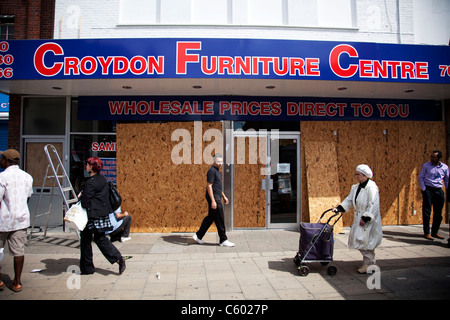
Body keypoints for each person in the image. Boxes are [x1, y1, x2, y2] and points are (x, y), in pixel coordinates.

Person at [79, 157, 126, 275]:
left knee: (85, 240)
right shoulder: (103, 179)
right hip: (102, 214)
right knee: (100, 239)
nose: (86, 166)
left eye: (88, 164)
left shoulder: (90, 182)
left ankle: (87, 268)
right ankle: (118, 258)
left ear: (91, 167)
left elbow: (85, 202)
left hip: (91, 216)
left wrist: (82, 195)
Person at [333, 164, 382, 274]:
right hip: (359, 217)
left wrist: (366, 218)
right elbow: (349, 200)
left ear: (365, 175)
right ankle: (369, 262)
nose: (356, 176)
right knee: (360, 240)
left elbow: (373, 204)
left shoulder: (372, 188)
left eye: (358, 174)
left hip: (369, 219)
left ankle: (369, 264)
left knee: (367, 241)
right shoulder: (355, 187)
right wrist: (339, 208)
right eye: (356, 174)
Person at [0, 149, 33, 292]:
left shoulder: (2, 176)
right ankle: (17, 282)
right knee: (19, 250)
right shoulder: (27, 177)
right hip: (21, 219)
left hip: (3, 219)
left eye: (1, 158)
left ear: (6, 160)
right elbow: (28, 197)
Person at [193, 154, 235, 247]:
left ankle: (198, 235)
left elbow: (218, 187)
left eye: (221, 161)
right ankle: (223, 240)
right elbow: (209, 186)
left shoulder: (217, 171)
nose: (220, 163)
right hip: (214, 199)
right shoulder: (212, 171)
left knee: (210, 218)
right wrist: (213, 201)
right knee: (220, 219)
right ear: (214, 161)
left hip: (217, 197)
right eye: (218, 161)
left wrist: (224, 196)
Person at [418, 150, 449, 240]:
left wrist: (448, 190)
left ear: (439, 158)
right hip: (428, 189)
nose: (432, 158)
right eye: (431, 156)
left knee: (438, 213)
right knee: (427, 212)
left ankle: (435, 231)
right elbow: (421, 177)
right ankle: (427, 232)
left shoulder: (445, 167)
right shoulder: (426, 166)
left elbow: (446, 180)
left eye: (434, 157)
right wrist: (424, 189)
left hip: (439, 190)